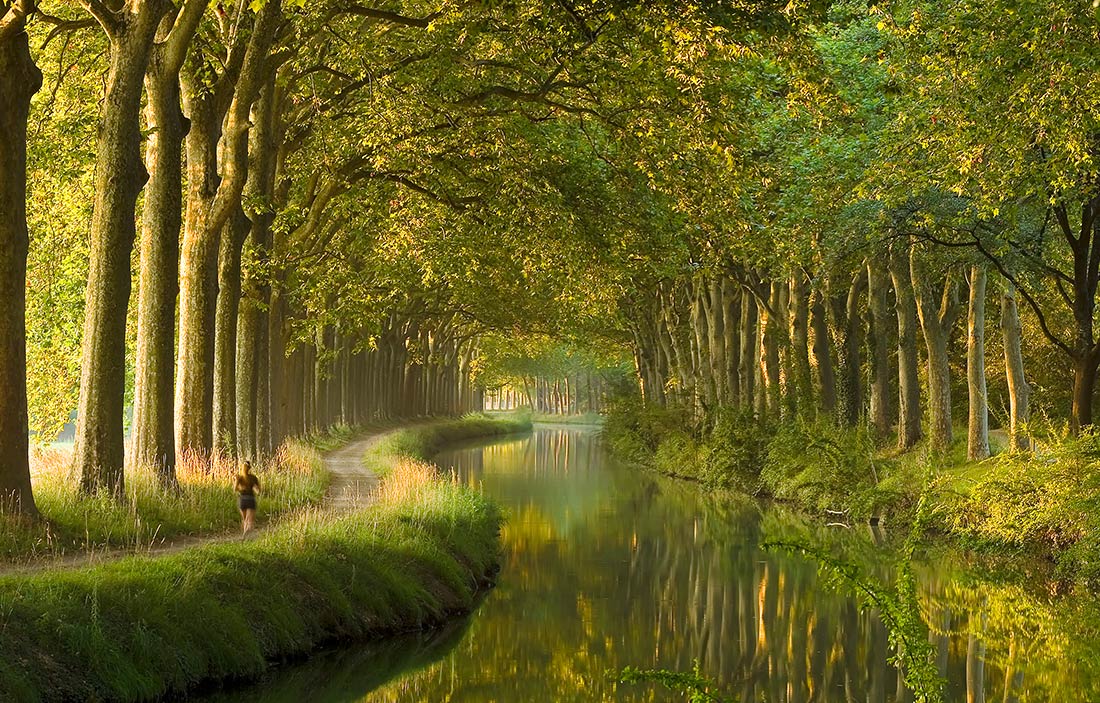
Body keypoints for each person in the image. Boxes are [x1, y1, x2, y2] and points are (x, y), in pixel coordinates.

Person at [235, 461, 261, 534]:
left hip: (242, 500)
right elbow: (258, 490)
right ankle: (248, 532)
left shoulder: (239, 478)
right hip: (251, 499)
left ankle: (244, 534)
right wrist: (255, 488)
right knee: (250, 520)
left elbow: (235, 489)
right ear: (250, 468)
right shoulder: (253, 478)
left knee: (244, 519)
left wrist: (241, 488)